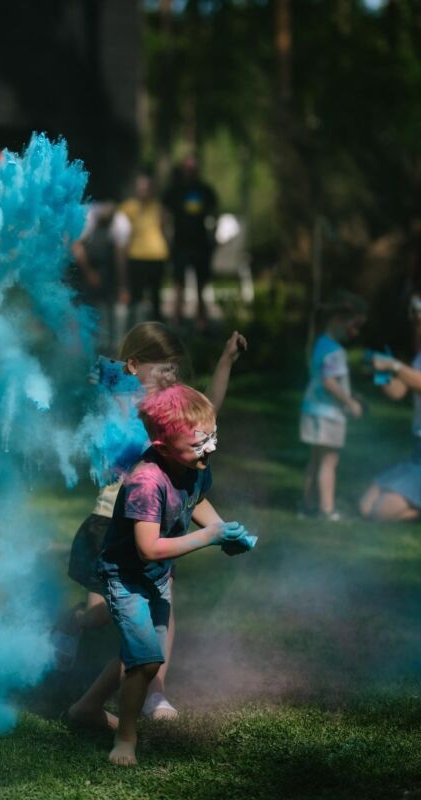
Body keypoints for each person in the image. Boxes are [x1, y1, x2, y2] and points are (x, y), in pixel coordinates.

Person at [56, 322, 247, 720]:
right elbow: (96, 381)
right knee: (103, 614)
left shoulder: (174, 407)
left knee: (161, 605)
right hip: (109, 525)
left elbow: (207, 407)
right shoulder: (121, 400)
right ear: (135, 365)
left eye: (175, 369)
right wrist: (111, 374)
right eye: (163, 368)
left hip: (156, 525)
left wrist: (226, 360)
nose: (171, 376)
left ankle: (154, 691)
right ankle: (75, 622)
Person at [68, 384, 256, 766]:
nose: (211, 449)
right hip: (126, 577)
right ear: (162, 445)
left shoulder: (194, 465)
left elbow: (196, 499)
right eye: (200, 443)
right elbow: (148, 548)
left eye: (213, 437)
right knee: (146, 661)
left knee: (141, 654)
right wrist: (208, 537)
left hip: (156, 575)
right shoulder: (145, 482)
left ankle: (85, 709)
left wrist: (224, 531)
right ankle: (125, 738)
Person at [300, 291, 367, 520]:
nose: (355, 332)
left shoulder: (320, 344)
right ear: (339, 319)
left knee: (315, 461)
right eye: (354, 325)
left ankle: (308, 505)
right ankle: (327, 509)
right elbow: (330, 382)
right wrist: (351, 403)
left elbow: (323, 379)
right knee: (329, 462)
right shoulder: (335, 351)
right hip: (329, 415)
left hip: (312, 410)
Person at [359, 297, 421, 521]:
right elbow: (399, 392)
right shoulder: (419, 357)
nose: (417, 327)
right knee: (365, 507)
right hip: (417, 450)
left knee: (379, 513)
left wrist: (394, 365)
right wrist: (381, 372)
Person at [163, 154, 218, 328]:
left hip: (201, 245)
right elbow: (163, 217)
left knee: (201, 285)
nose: (191, 172)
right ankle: (176, 320)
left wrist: (213, 236)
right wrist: (167, 240)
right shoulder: (174, 191)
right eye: (188, 168)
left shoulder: (205, 190)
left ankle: (202, 321)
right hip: (180, 244)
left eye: (194, 168)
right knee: (178, 284)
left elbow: (215, 213)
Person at [72, 202, 131, 349]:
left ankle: (110, 345)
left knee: (109, 311)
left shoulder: (121, 224)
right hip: (87, 273)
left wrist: (122, 286)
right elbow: (76, 247)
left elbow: (120, 258)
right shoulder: (88, 218)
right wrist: (89, 273)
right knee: (87, 310)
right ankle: (88, 344)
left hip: (108, 275)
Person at [118, 172, 169, 327]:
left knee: (155, 297)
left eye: (147, 188)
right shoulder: (128, 207)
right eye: (141, 188)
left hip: (157, 255)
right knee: (135, 298)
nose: (144, 191)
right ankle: (133, 332)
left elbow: (165, 227)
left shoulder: (158, 207)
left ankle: (158, 334)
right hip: (137, 255)